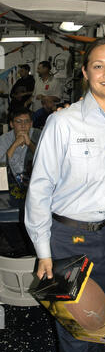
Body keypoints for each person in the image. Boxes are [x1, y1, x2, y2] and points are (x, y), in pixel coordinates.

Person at [24, 38, 105, 352]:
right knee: (73, 325)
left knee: (103, 303)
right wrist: (43, 251)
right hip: (68, 237)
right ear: (86, 72)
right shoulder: (63, 122)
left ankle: (94, 347)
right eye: (99, 65)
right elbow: (39, 190)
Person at [0, 108, 40, 255]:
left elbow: (47, 160)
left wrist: (30, 144)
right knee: (3, 211)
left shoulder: (39, 135)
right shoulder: (4, 140)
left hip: (35, 183)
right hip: (9, 183)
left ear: (31, 123)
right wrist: (15, 145)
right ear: (11, 124)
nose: (23, 126)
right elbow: (1, 168)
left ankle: (34, 249)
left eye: (27, 122)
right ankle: (18, 247)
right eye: (19, 122)